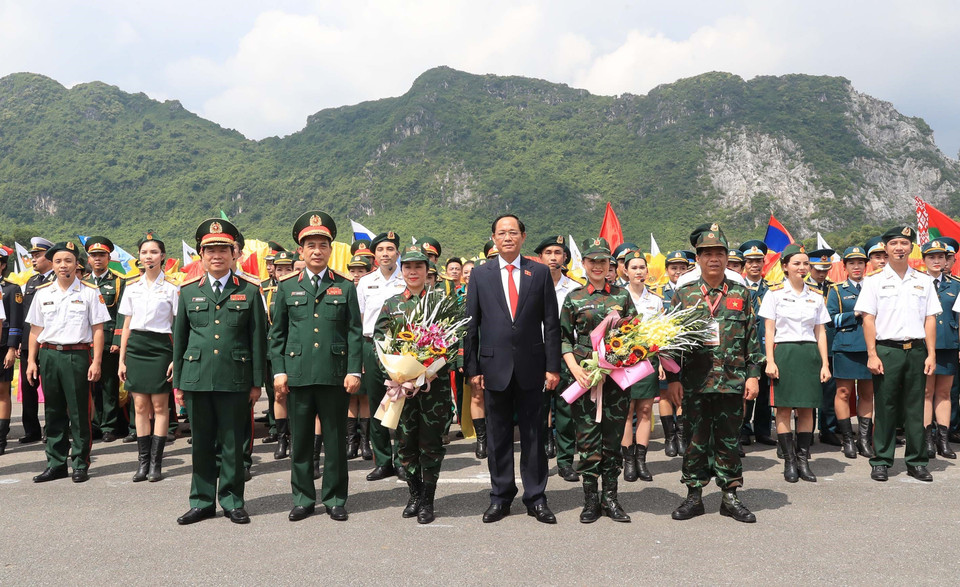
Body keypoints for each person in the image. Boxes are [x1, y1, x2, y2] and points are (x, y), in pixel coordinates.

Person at [464, 213, 560, 525]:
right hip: (493, 368)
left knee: (534, 434)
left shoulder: (540, 273)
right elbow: (471, 326)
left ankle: (536, 498)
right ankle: (500, 497)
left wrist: (553, 366)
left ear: (523, 237)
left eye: (513, 232)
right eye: (502, 233)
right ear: (493, 238)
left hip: (533, 367)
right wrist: (472, 369)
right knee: (498, 436)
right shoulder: (480, 274)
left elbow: (551, 324)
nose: (508, 237)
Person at [665, 223, 762, 524]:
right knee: (694, 438)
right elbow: (671, 341)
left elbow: (752, 338)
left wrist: (754, 375)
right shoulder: (685, 294)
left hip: (732, 380)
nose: (714, 259)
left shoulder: (741, 293)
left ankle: (730, 496)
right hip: (695, 382)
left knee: (729, 439)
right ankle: (694, 495)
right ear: (698, 259)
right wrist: (673, 380)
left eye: (719, 252)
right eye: (707, 253)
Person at [270, 211, 362, 522]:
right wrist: (279, 371)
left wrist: (354, 370)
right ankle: (303, 498)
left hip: (335, 375)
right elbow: (278, 334)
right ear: (300, 250)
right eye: (310, 245)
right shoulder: (286, 287)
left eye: (323, 245)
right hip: (297, 375)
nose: (317, 251)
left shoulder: (346, 286)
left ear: (330, 249)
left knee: (335, 440)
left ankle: (335, 498)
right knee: (302, 441)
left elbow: (353, 332)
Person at [173, 219, 266, 525]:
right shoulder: (187, 292)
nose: (216, 255)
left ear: (233, 253)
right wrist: (179, 383)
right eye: (210, 249)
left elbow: (257, 340)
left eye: (223, 249)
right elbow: (181, 340)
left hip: (235, 379)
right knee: (201, 443)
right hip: (197, 378)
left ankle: (232, 500)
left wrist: (256, 384)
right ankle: (201, 501)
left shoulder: (250, 291)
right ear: (201, 255)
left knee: (232, 444)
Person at [375, 245, 457, 524]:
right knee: (405, 443)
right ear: (402, 270)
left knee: (431, 443)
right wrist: (396, 373)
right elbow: (379, 344)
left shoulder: (442, 304)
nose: (413, 271)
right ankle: (414, 494)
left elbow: (454, 344)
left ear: (427, 270)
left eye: (418, 267)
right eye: (408, 267)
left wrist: (430, 371)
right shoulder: (392, 304)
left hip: (434, 387)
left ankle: (428, 501)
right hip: (402, 388)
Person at [854, 225, 940, 482]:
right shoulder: (874, 281)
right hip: (887, 351)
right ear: (886, 248)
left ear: (911, 247)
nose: (899, 248)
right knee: (886, 406)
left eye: (904, 243)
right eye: (894, 244)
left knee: (916, 407)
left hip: (916, 350)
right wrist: (872, 354)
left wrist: (931, 353)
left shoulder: (923, 281)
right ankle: (881, 460)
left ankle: (917, 461)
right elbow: (868, 320)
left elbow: (930, 319)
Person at [562, 238, 635, 523]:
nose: (597, 266)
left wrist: (621, 361)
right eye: (592, 261)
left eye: (603, 261)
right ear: (584, 264)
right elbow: (563, 339)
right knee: (588, 439)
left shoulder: (622, 296)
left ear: (610, 266)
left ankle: (612, 499)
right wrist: (574, 369)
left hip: (616, 379)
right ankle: (591, 500)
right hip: (585, 378)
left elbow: (635, 336)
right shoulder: (574, 297)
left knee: (613, 440)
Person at [25, 242, 109, 483]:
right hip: (49, 354)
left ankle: (80, 463)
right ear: (52, 264)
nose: (64, 266)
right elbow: (35, 330)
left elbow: (98, 330)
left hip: (78, 355)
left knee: (79, 411)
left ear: (77, 264)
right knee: (52, 411)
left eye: (69, 261)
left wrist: (97, 362)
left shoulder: (89, 292)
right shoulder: (43, 292)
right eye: (59, 261)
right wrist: (31, 361)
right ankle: (56, 463)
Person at [760, 244, 832, 483]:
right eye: (796, 263)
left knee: (807, 408)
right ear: (785, 267)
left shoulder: (816, 296)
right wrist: (770, 360)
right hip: (785, 353)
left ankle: (803, 459)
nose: (802, 268)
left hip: (809, 353)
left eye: (805, 264)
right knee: (783, 408)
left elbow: (821, 332)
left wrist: (824, 364)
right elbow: (769, 331)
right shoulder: (774, 294)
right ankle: (789, 460)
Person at [118, 232, 180, 482]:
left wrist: (177, 357)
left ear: (163, 256)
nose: (148, 256)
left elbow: (178, 326)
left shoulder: (173, 288)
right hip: (136, 347)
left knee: (159, 406)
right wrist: (122, 359)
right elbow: (127, 325)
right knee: (140, 406)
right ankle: (142, 463)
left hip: (161, 347)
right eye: (144, 252)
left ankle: (156, 463)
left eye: (153, 252)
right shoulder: (132, 288)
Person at [356, 231, 406, 481]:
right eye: (380, 250)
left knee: (402, 403)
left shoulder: (406, 278)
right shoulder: (366, 282)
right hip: (371, 345)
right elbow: (360, 318)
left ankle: (403, 460)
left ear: (398, 252)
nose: (385, 254)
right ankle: (383, 460)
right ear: (374, 255)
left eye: (390, 249)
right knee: (377, 404)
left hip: (401, 347)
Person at [535, 235, 581, 482]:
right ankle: (540, 459)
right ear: (540, 257)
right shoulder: (528, 285)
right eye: (548, 252)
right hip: (536, 355)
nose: (553, 257)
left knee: (566, 411)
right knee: (538, 411)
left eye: (558, 253)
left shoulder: (574, 289)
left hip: (566, 356)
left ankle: (565, 462)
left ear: (565, 258)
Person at [619, 250, 664, 484]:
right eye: (634, 268)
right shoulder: (618, 296)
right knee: (627, 411)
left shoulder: (655, 300)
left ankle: (641, 461)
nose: (639, 271)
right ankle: (628, 461)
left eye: (642, 268)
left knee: (645, 411)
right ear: (624, 271)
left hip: (648, 360)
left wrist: (662, 362)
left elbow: (661, 332)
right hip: (624, 362)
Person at [827, 246, 876, 458]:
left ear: (866, 266)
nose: (857, 267)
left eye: (860, 263)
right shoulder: (837, 290)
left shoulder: (874, 287)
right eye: (852, 263)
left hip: (869, 347)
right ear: (845, 266)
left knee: (867, 393)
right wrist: (855, 313)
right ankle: (847, 439)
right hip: (846, 346)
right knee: (843, 392)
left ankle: (863, 440)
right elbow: (830, 319)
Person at [83, 237, 126, 443]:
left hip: (108, 340)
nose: (98, 259)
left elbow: (121, 314)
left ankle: (109, 425)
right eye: (94, 255)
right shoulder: (82, 282)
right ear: (88, 259)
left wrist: (117, 339)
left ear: (109, 257)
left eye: (102, 255)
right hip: (85, 341)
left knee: (109, 385)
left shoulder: (118, 281)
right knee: (91, 385)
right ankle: (94, 424)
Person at [920, 240, 958, 459]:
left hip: (948, 343)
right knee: (926, 393)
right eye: (932, 257)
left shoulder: (956, 284)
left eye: (941, 257)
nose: (937, 261)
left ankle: (943, 440)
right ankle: (927, 440)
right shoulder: (917, 283)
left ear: (946, 260)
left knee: (945, 393)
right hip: (924, 346)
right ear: (924, 260)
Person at [17, 237, 54, 444]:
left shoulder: (56, 281)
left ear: (49, 258)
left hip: (48, 341)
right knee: (28, 387)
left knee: (51, 388)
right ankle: (31, 430)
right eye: (32, 255)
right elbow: (26, 317)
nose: (33, 259)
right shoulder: (31, 282)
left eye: (38, 255)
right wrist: (20, 342)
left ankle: (51, 427)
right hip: (28, 341)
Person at [739, 240, 775, 447]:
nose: (754, 265)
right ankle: (743, 429)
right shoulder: (738, 288)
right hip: (744, 349)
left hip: (765, 348)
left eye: (758, 261)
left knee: (763, 392)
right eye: (750, 261)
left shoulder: (771, 289)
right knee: (745, 391)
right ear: (744, 264)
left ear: (764, 262)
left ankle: (762, 430)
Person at [656, 250, 689, 457]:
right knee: (665, 394)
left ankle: (681, 436)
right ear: (667, 270)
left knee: (683, 395)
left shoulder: (691, 291)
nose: (678, 271)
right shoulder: (659, 293)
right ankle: (669, 438)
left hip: (688, 351)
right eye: (674, 267)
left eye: (682, 268)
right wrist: (659, 358)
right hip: (666, 351)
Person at [344, 253, 374, 461]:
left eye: (360, 271)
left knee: (364, 396)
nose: (356, 275)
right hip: (345, 348)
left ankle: (365, 442)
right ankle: (350, 441)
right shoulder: (343, 289)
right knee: (349, 397)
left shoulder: (367, 290)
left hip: (364, 344)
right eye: (353, 271)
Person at [0, 248, 23, 455]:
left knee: (2, 392)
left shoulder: (11, 289)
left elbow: (15, 321)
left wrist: (11, 347)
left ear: (3, 265)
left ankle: (1, 438)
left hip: (2, 347)